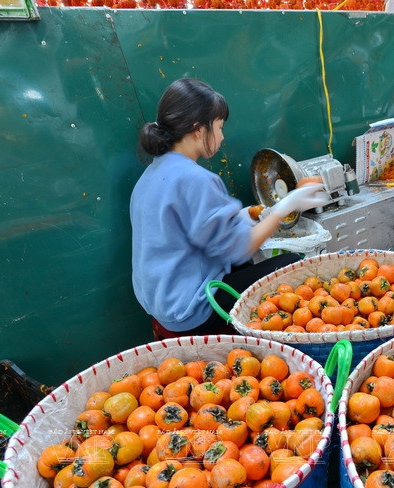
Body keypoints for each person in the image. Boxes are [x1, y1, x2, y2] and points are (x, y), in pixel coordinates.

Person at [130, 78, 328, 336]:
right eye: (219, 127)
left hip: (163, 305)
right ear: (198, 129)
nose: (222, 136)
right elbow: (238, 249)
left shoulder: (151, 175)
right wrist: (284, 207)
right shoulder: (196, 179)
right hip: (193, 310)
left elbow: (194, 230)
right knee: (290, 264)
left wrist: (244, 217)